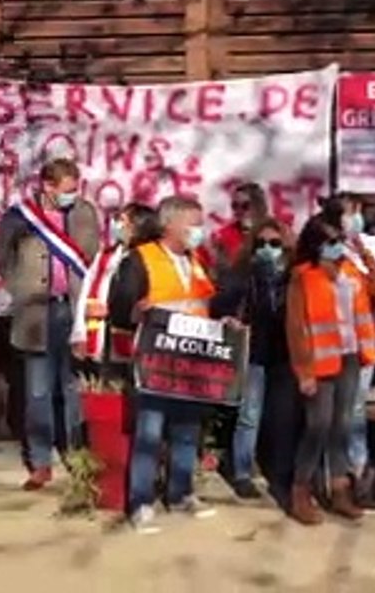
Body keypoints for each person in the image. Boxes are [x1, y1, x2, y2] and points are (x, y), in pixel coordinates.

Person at [107, 196, 219, 533]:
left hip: (192, 359)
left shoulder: (196, 260)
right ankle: (140, 503)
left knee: (187, 431)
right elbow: (119, 307)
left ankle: (181, 493)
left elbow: (203, 301)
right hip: (155, 361)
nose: (199, 231)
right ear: (170, 224)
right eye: (193, 223)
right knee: (150, 432)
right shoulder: (141, 258)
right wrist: (135, 311)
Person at [0, 158, 101, 491]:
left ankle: (74, 453)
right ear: (47, 186)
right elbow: (3, 259)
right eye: (66, 190)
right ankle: (40, 462)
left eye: (75, 188)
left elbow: (93, 259)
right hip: (36, 314)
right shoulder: (20, 217)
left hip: (73, 311)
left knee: (71, 389)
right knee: (38, 391)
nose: (72, 195)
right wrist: (21, 288)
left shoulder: (85, 213)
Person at [284, 214, 375, 525]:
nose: (338, 246)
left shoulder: (350, 270)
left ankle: (340, 490)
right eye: (331, 241)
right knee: (318, 426)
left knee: (342, 424)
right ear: (315, 245)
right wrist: (304, 371)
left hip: (350, 355)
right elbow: (295, 327)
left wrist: (366, 256)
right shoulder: (303, 276)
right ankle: (300, 489)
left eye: (340, 240)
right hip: (319, 362)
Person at [212, 218, 293, 500]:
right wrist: (230, 318)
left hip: (285, 354)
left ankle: (280, 471)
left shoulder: (293, 275)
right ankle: (242, 472)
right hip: (253, 352)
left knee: (283, 416)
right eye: (261, 244)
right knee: (249, 415)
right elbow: (219, 305)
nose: (267, 249)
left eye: (274, 244)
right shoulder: (242, 274)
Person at [319, 194, 375, 485]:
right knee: (333, 411)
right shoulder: (326, 251)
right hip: (333, 345)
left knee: (355, 408)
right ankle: (333, 472)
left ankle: (357, 468)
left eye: (359, 212)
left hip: (362, 345)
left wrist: (366, 256)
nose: (357, 217)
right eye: (351, 212)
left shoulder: (365, 250)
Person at [70, 202, 157, 370]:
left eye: (122, 220)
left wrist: (111, 308)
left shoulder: (148, 258)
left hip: (134, 338)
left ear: (136, 226)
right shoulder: (106, 255)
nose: (116, 224)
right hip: (100, 336)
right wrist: (79, 332)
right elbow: (85, 292)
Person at [211, 182, 269, 274]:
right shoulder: (221, 236)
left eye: (245, 206)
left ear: (260, 206)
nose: (239, 211)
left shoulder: (279, 231)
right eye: (234, 206)